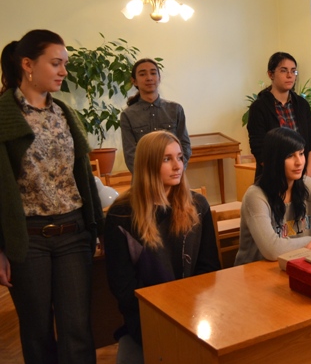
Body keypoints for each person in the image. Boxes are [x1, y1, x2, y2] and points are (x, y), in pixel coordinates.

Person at [0, 29, 103, 364]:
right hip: (27, 240)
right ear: (28, 64)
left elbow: (82, 176)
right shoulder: (4, 115)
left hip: (73, 233)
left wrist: (96, 227)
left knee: (78, 330)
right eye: (56, 63)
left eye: (65, 64)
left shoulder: (64, 113)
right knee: (37, 333)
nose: (64, 71)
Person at [104, 130, 220, 364]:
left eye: (179, 157)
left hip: (195, 312)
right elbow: (123, 287)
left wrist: (191, 311)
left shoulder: (198, 206)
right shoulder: (121, 214)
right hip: (146, 317)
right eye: (167, 159)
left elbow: (209, 269)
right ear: (147, 165)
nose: (178, 166)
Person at [234, 127, 311, 265]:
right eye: (290, 156)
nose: (299, 162)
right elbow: (272, 250)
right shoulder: (255, 196)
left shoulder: (308, 185)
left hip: (296, 265)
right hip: (255, 271)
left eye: (301, 154)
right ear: (274, 159)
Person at [247, 52, 311, 181]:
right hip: (274, 178)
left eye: (293, 71)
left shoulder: (302, 104)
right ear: (271, 74)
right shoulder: (259, 107)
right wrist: (284, 179)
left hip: (304, 176)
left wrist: (308, 175)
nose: (289, 75)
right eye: (283, 70)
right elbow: (259, 149)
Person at [120, 58, 192, 173]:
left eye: (153, 73)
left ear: (159, 78)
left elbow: (185, 146)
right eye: (142, 74)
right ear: (134, 81)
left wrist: (176, 171)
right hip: (144, 179)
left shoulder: (175, 109)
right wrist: (148, 177)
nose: (149, 78)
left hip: (174, 177)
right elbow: (130, 154)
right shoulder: (127, 115)